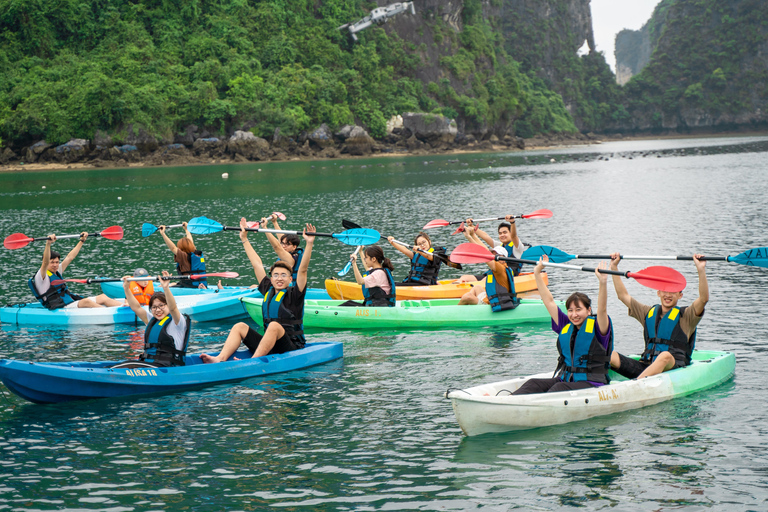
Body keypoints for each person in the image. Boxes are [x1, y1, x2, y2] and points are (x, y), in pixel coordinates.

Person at [201, 221, 315, 362]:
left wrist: (309, 243)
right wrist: (244, 239)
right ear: (271, 278)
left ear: (290, 278)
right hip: (269, 345)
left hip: (291, 346)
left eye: (283, 275)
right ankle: (220, 358)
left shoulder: (295, 294)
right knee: (239, 326)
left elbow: (303, 270)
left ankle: (252, 362)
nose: (279, 278)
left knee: (274, 326)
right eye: (276, 275)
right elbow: (257, 264)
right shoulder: (268, 289)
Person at [512, 256, 613, 394]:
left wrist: (603, 282)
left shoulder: (598, 327)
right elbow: (549, 301)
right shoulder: (566, 325)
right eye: (570, 310)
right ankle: (506, 401)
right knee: (533, 384)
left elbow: (602, 310)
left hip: (593, 383)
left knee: (558, 389)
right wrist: (537, 273)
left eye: (578, 310)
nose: (574, 315)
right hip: (567, 379)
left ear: (588, 310)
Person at [608, 252, 708, 379]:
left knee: (664, 356)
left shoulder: (687, 316)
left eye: (673, 292)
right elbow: (623, 296)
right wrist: (614, 268)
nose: (668, 295)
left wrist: (701, 269)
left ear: (680, 295)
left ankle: (635, 385)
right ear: (659, 293)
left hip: (673, 368)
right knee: (611, 355)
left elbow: (703, 299)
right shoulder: (648, 312)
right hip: (646, 366)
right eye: (665, 290)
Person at [112, 270, 190, 368]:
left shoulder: (178, 322)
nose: (158, 310)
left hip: (168, 367)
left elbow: (173, 308)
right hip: (152, 364)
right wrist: (126, 288)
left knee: (124, 366)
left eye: (161, 306)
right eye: (154, 307)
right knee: (122, 364)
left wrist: (166, 288)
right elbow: (136, 307)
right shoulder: (152, 321)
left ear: (167, 306)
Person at [28, 233, 124, 309]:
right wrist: (48, 244)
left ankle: (126, 308)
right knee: (86, 302)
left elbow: (70, 257)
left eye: (57, 262)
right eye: (52, 262)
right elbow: (45, 262)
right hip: (59, 307)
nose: (55, 265)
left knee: (103, 297)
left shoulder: (56, 271)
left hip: (69, 302)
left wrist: (82, 241)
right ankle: (109, 313)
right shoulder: (41, 276)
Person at [457, 220, 519, 311]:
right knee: (477, 287)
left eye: (496, 254)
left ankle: (457, 312)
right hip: (489, 298)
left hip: (490, 305)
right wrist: (472, 235)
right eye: (493, 253)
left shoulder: (500, 267)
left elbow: (483, 253)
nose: (493, 256)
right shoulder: (499, 264)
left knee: (467, 297)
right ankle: (468, 309)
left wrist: (469, 237)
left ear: (503, 257)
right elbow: (485, 250)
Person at [454, 215, 526, 283]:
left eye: (505, 232)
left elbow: (514, 236)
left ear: (511, 233)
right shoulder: (499, 246)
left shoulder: (518, 247)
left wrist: (512, 222)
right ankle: (455, 285)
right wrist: (472, 227)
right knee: (465, 277)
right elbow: (485, 238)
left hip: (507, 278)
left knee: (485, 280)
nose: (502, 235)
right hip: (494, 274)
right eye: (500, 233)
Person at [158, 221, 207, 289]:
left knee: (163, 286)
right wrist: (187, 230)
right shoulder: (195, 253)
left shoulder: (184, 256)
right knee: (173, 283)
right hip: (197, 283)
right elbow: (190, 241)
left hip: (189, 286)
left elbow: (173, 248)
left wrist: (163, 234)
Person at [261, 214, 304, 282]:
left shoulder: (291, 259)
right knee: (253, 286)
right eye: (283, 244)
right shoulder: (290, 250)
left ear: (294, 247)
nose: (284, 246)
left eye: (287, 244)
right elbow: (282, 238)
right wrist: (274, 222)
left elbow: (277, 247)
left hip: (289, 289)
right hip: (278, 284)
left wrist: (265, 228)